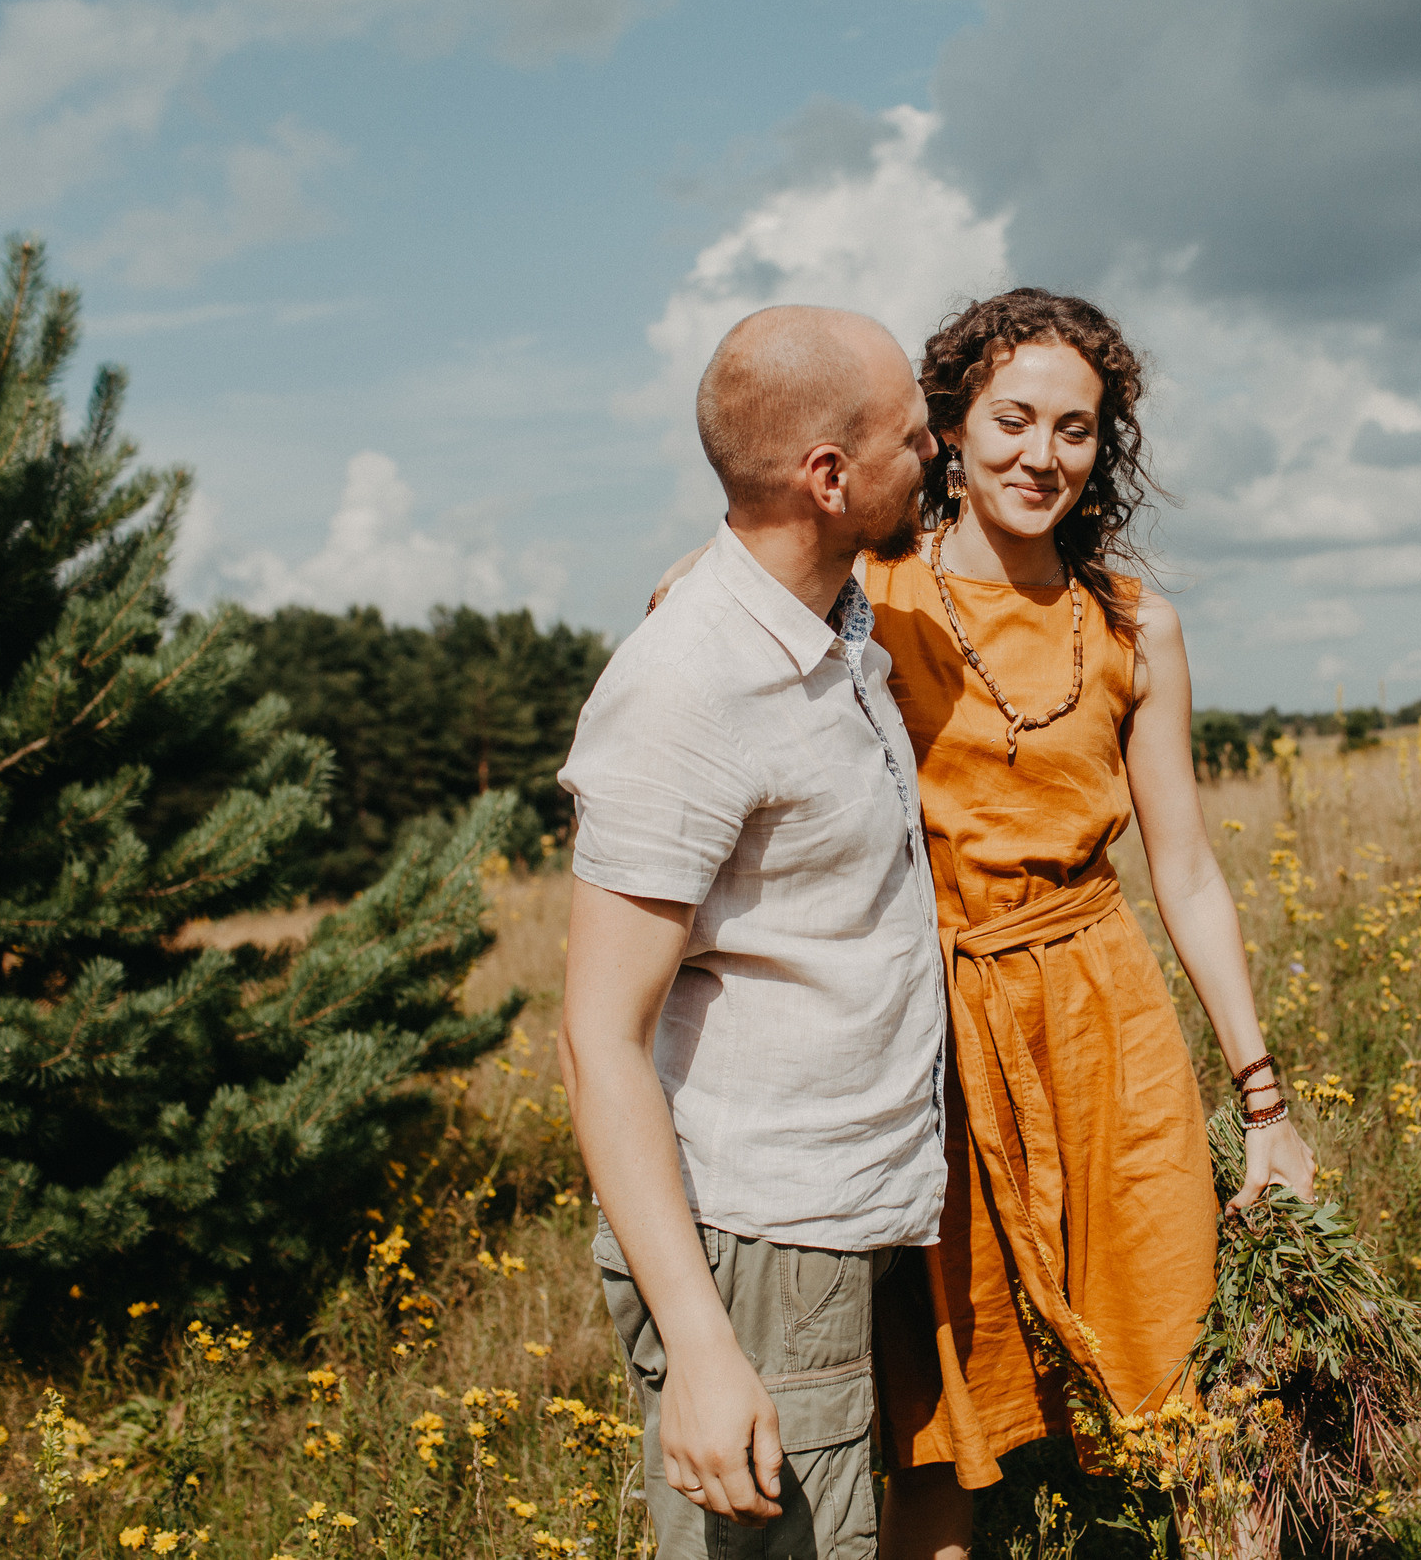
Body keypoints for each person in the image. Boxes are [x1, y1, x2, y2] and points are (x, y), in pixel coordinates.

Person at [654, 289, 1315, 1560]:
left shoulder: (1134, 624)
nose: (1042, 456)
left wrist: (1265, 1101)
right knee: (945, 1424)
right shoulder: (871, 594)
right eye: (1012, 419)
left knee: (1194, 1391)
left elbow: (1186, 874)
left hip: (1105, 1030)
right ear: (947, 427)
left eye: (1077, 429)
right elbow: (718, 599)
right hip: (932, 1046)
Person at [558, 304, 946, 1560]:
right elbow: (597, 1038)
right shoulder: (689, 686)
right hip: (762, 1238)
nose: (932, 449)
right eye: (910, 434)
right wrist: (705, 1349)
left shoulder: (834, 624)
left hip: (852, 1205)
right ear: (828, 478)